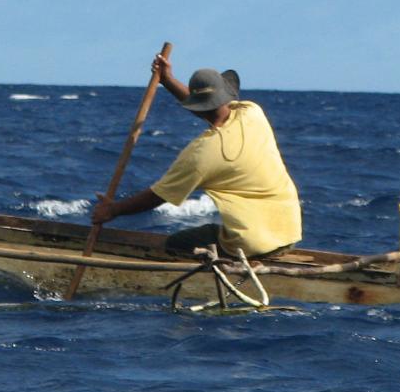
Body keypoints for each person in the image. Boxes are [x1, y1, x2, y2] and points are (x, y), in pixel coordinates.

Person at [91, 52, 301, 258]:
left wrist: (112, 210)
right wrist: (168, 80)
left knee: (177, 244)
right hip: (289, 232)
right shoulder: (252, 112)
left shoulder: (200, 155)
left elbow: (158, 195)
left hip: (250, 245)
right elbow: (210, 108)